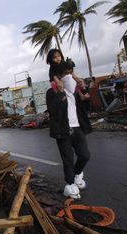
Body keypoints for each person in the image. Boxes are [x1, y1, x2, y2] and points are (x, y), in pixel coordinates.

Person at [46, 61, 92, 200]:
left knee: (85, 155)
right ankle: (70, 184)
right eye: (66, 74)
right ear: (58, 77)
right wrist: (60, 92)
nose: (70, 76)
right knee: (68, 160)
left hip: (77, 128)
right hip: (63, 130)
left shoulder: (75, 91)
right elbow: (53, 111)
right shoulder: (52, 92)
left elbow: (86, 107)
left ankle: (77, 174)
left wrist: (83, 89)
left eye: (71, 73)